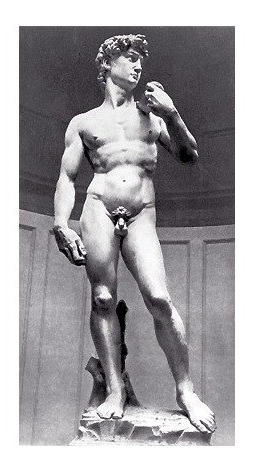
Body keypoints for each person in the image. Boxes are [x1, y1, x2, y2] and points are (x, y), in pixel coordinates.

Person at [52, 34, 215, 434]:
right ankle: (114, 389)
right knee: (103, 298)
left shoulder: (152, 116)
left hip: (141, 212)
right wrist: (60, 223)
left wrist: (173, 114)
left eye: (141, 59)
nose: (138, 65)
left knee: (159, 298)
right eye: (129, 58)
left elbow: (189, 155)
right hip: (98, 208)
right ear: (108, 65)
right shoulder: (84, 122)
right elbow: (67, 178)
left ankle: (186, 391)